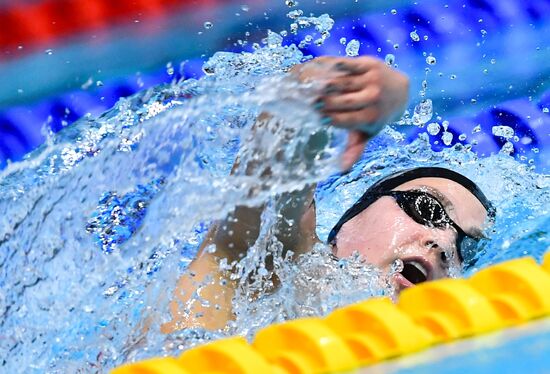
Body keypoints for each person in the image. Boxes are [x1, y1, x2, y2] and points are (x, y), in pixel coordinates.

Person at [160, 56, 494, 333]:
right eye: (428, 208)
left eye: (467, 247)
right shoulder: (263, 264)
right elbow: (292, 115)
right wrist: (351, 85)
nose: (445, 244)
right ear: (353, 216)